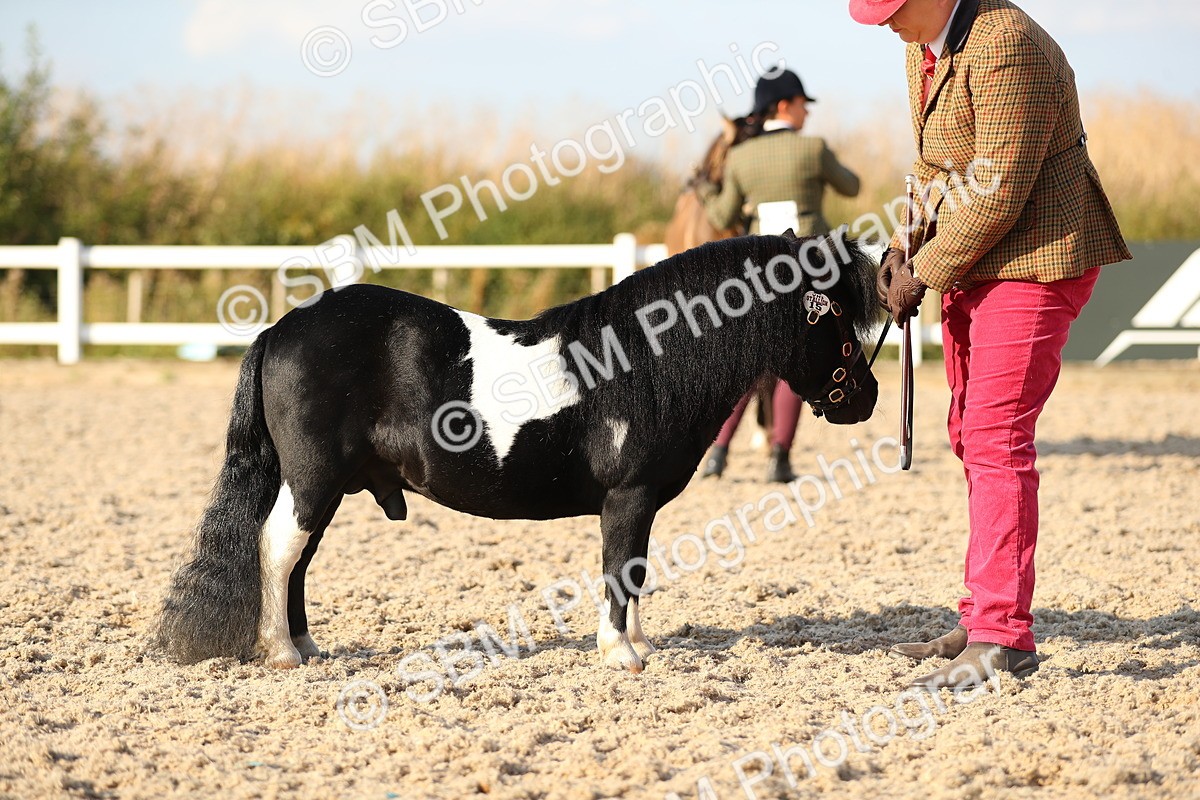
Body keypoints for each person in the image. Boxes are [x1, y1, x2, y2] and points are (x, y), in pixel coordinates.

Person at [850, 0, 1131, 688]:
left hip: (1036, 257)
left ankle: (1002, 636)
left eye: (892, 8)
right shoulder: (924, 43)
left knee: (997, 436)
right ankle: (982, 615)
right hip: (978, 258)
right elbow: (933, 166)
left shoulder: (1006, 43)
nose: (882, 21)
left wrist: (928, 270)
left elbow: (1000, 187)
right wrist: (898, 244)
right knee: (973, 434)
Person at [698, 67, 860, 483]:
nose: (807, 112)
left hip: (757, 270)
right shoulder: (814, 148)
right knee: (801, 356)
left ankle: (717, 453)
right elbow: (852, 186)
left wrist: (706, 189)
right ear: (785, 105)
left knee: (749, 362)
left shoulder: (740, 156)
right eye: (803, 104)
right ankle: (779, 457)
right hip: (809, 267)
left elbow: (721, 214)